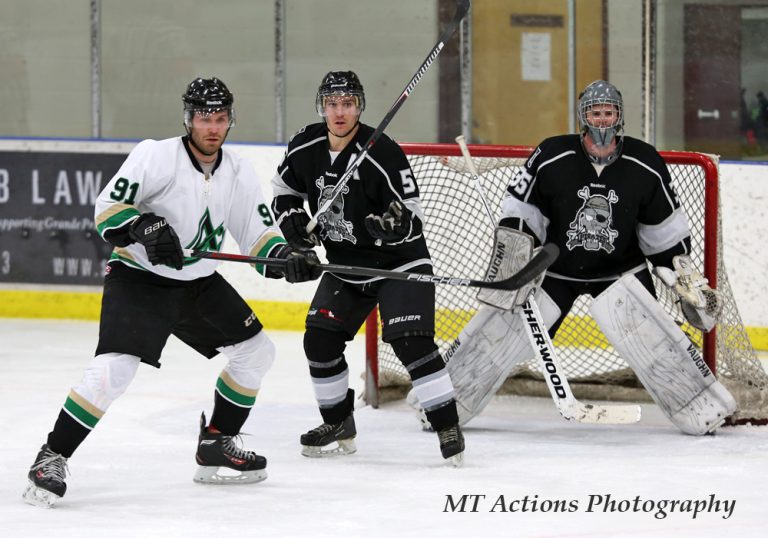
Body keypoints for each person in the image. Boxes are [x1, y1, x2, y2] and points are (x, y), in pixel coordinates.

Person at [22, 77, 321, 508]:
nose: (212, 127)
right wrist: (142, 226)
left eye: (220, 118)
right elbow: (107, 209)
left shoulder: (236, 171)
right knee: (114, 371)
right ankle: (51, 456)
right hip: (140, 279)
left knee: (257, 352)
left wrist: (287, 258)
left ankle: (216, 443)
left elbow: (257, 237)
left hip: (197, 283)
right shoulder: (155, 155)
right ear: (188, 118)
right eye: (204, 118)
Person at [439, 80, 735, 435]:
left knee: (653, 340)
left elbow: (663, 227)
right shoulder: (552, 154)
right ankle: (443, 403)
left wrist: (680, 274)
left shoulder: (645, 162)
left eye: (609, 112)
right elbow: (522, 208)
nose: (602, 119)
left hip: (620, 270)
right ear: (583, 116)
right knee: (502, 332)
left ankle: (701, 407)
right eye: (596, 112)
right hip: (556, 269)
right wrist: (516, 252)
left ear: (620, 115)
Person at [270, 70, 465, 465]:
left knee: (410, 340)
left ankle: (447, 425)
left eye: (348, 103)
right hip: (347, 266)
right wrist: (292, 221)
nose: (339, 112)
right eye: (332, 103)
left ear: (359, 105)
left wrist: (393, 226)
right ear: (321, 106)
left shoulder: (383, 150)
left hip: (400, 262)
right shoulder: (303, 145)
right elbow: (283, 189)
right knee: (319, 340)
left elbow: (411, 212)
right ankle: (338, 423)